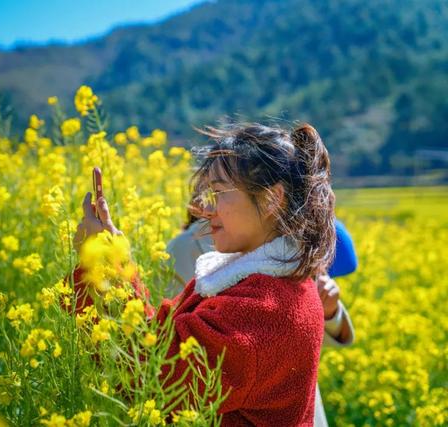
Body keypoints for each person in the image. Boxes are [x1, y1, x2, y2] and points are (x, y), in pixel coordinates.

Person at [71, 122, 337, 426]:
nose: (204, 208)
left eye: (220, 192)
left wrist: (104, 265)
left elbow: (148, 378)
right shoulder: (257, 285)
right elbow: (161, 344)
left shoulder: (263, 309)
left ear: (271, 199)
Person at [166, 216, 357, 427]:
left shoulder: (287, 244)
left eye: (220, 191)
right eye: (211, 191)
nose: (210, 206)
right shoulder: (186, 248)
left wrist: (331, 312)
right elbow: (173, 339)